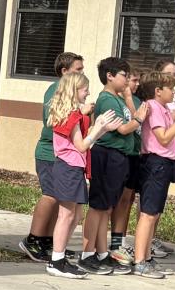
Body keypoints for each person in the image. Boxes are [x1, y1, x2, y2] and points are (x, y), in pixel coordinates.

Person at [43, 72, 119, 278]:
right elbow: (82, 145)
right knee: (66, 215)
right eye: (85, 89)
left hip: (73, 167)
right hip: (68, 167)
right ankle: (56, 260)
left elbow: (85, 142)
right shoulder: (72, 116)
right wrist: (99, 127)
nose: (88, 93)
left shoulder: (72, 113)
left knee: (75, 215)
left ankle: (59, 257)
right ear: (74, 90)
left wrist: (102, 129)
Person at [131, 72, 175, 278]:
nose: (174, 92)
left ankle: (147, 256)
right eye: (170, 88)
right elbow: (165, 137)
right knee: (148, 214)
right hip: (155, 163)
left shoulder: (164, 109)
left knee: (155, 213)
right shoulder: (154, 108)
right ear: (158, 91)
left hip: (164, 163)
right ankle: (139, 260)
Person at [81, 57, 141, 276]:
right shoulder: (106, 99)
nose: (126, 80)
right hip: (106, 155)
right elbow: (124, 129)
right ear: (110, 76)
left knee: (106, 207)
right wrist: (140, 120)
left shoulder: (118, 98)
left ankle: (102, 252)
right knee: (98, 206)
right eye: (124, 75)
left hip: (119, 157)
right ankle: (87, 254)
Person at [23, 51, 84, 262]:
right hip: (50, 152)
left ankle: (49, 240)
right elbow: (53, 122)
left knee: (60, 198)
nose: (81, 73)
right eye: (78, 70)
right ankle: (33, 238)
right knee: (49, 195)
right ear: (64, 71)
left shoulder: (72, 93)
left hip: (62, 155)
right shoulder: (56, 90)